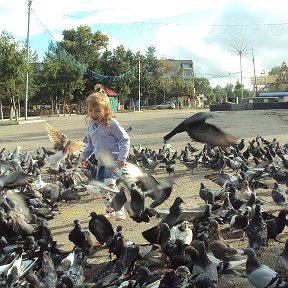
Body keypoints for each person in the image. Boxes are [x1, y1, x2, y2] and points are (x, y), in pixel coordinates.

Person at [80, 84, 130, 221]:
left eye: (97, 111)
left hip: (114, 160)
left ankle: (120, 208)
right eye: (90, 111)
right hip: (101, 162)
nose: (93, 114)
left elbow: (125, 140)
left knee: (109, 183)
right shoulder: (91, 125)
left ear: (106, 110)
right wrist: (84, 156)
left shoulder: (111, 124)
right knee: (102, 187)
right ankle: (110, 209)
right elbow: (90, 142)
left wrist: (122, 158)